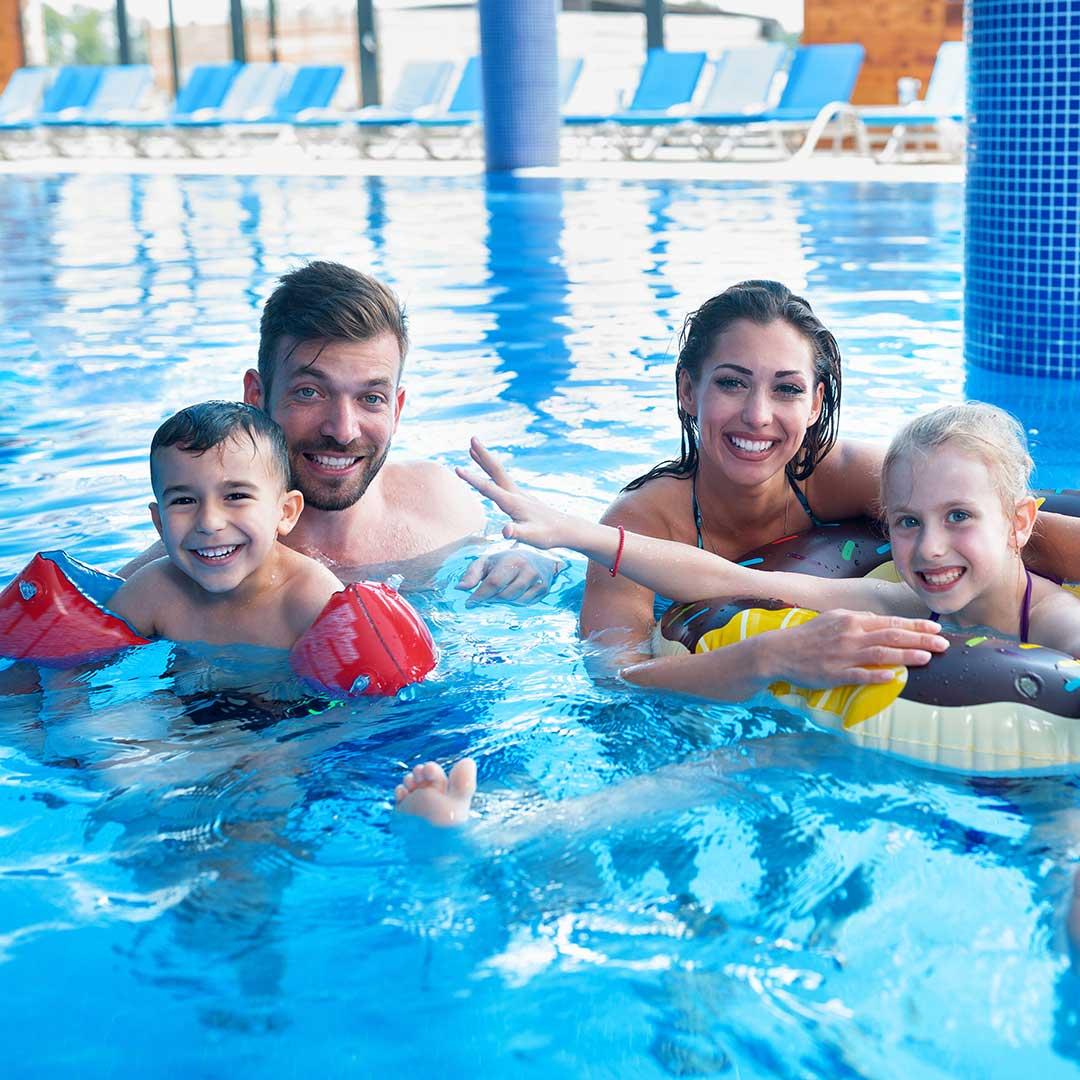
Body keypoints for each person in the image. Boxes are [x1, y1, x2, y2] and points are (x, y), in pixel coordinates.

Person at [396, 401, 1080, 824]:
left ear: (1021, 523)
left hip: (1050, 787)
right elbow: (722, 579)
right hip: (902, 765)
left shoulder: (1053, 625)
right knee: (755, 755)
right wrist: (577, 534)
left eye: (958, 517)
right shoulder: (901, 597)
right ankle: (510, 825)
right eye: (906, 522)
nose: (929, 547)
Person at [578, 280, 1080, 664]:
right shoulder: (639, 525)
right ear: (688, 391)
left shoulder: (843, 474)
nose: (757, 415)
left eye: (787, 389)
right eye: (732, 383)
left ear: (817, 402)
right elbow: (617, 685)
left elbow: (1007, 518)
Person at [121, 261, 559, 604]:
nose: (343, 431)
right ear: (256, 396)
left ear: (397, 409)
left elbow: (534, 553)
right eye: (310, 392)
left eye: (371, 398)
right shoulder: (208, 553)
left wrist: (539, 558)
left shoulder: (442, 504)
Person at [110, 401, 343, 649]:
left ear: (285, 512)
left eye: (235, 496)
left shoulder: (313, 601)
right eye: (184, 501)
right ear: (159, 523)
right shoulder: (154, 591)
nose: (209, 522)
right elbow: (77, 670)